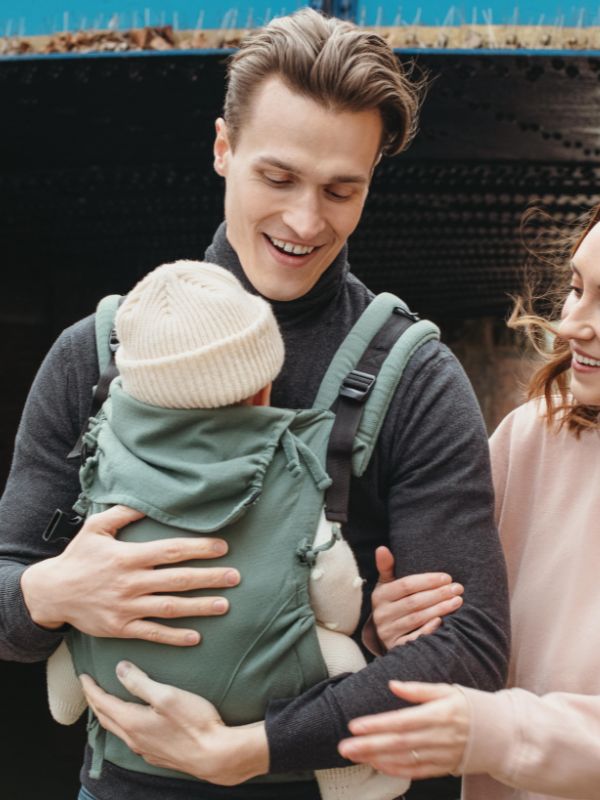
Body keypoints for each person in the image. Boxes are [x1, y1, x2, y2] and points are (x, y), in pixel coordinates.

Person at [1, 8, 510, 800]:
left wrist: (253, 748)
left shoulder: (417, 376)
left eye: (343, 190)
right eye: (277, 178)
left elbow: (472, 647)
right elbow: (9, 580)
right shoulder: (93, 353)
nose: (306, 221)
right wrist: (48, 593)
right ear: (222, 148)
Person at [48, 258, 406, 800]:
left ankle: (70, 690)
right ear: (264, 389)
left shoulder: (106, 455)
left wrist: (49, 593)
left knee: (77, 626)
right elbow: (337, 606)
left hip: (124, 702)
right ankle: (353, 780)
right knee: (337, 652)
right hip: (271, 704)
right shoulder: (290, 467)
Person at [338, 205, 600, 800]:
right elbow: (464, 624)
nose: (572, 326)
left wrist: (497, 735)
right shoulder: (531, 437)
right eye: (577, 290)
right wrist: (397, 621)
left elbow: (490, 726)